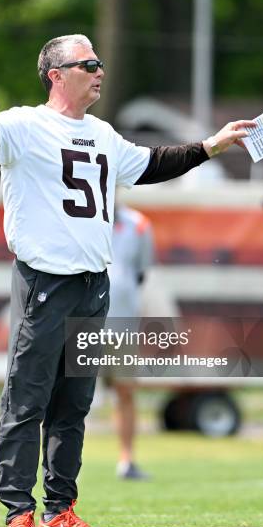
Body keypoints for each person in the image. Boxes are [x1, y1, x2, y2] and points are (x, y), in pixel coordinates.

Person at [0, 33, 255, 527]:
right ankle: (18, 512)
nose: (100, 70)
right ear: (56, 74)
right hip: (44, 283)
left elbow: (152, 163)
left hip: (94, 284)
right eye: (89, 63)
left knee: (73, 405)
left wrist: (212, 144)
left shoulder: (101, 133)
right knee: (26, 400)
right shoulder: (25, 124)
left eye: (100, 62)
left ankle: (60, 510)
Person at [108, 203, 154, 480]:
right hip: (79, 321)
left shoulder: (138, 223)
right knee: (66, 395)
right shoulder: (74, 213)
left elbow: (140, 273)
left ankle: (126, 460)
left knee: (125, 391)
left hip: (122, 322)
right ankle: (56, 464)